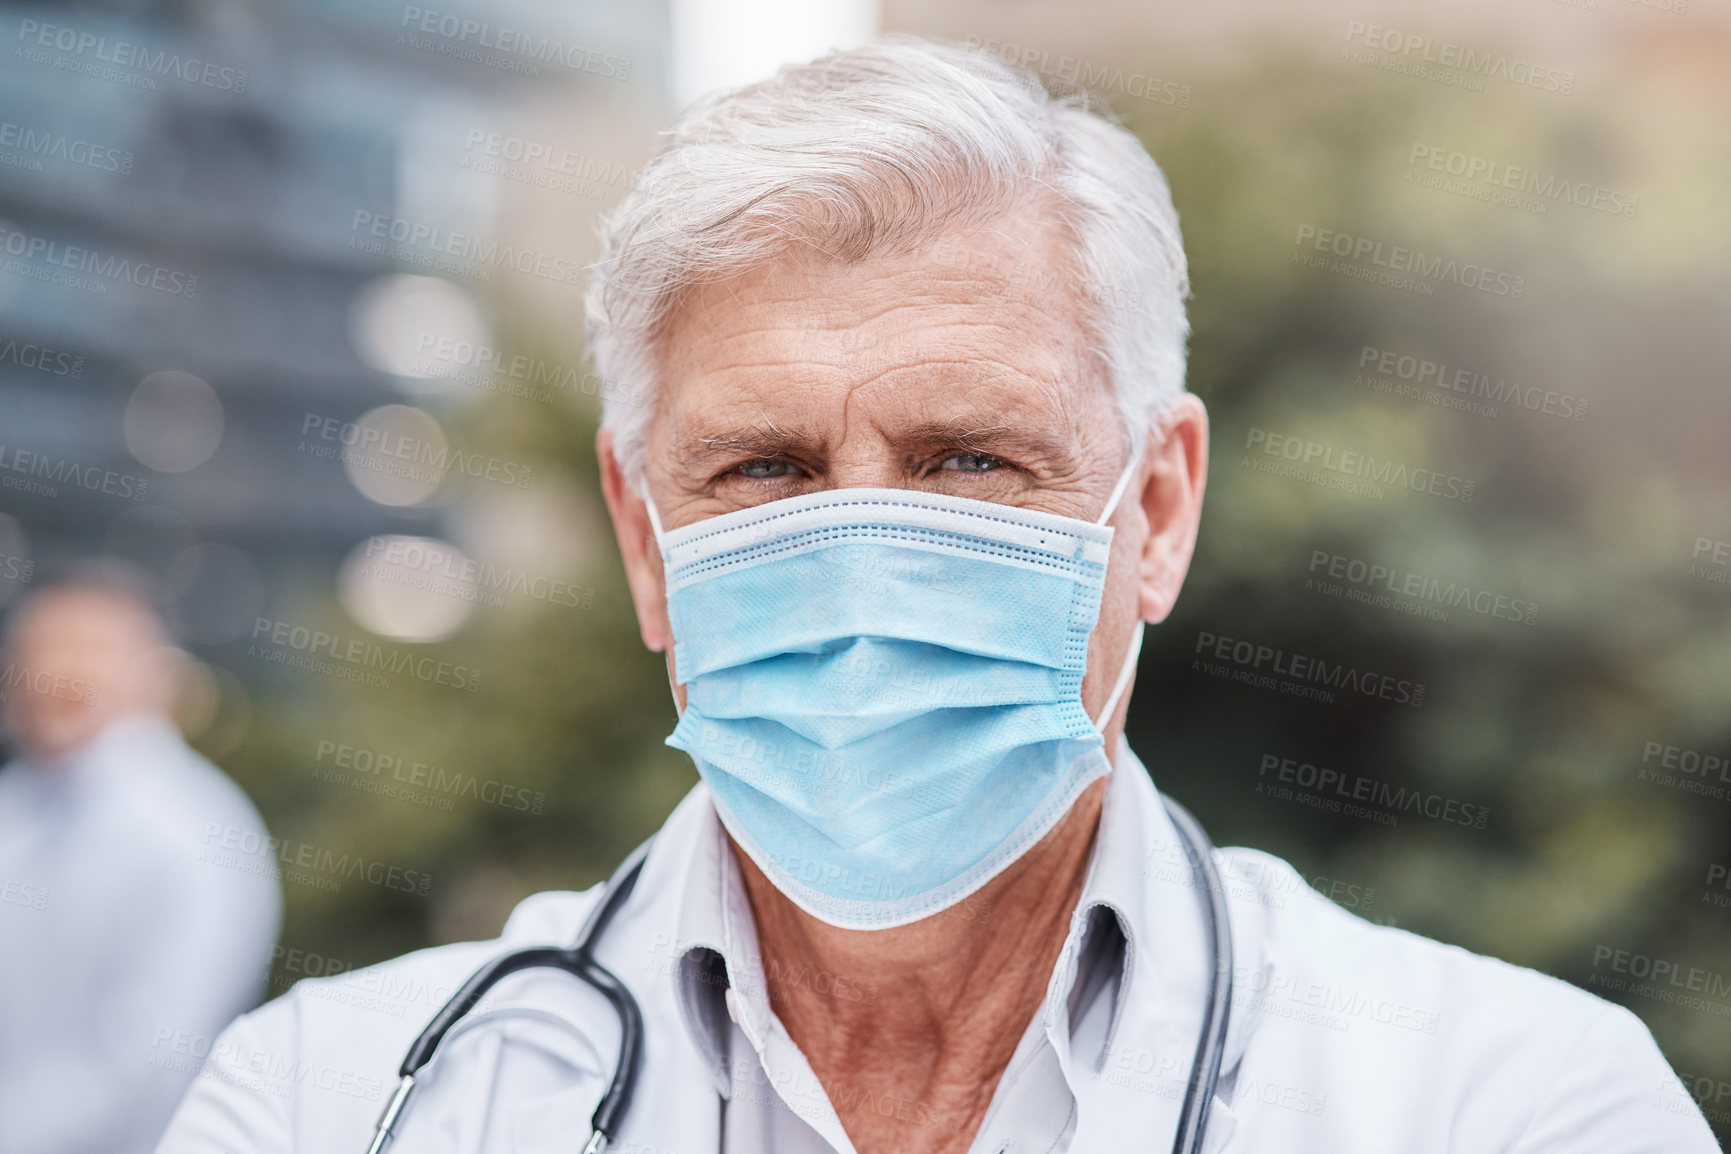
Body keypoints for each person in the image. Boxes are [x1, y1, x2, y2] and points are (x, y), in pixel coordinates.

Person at [157, 37, 1716, 1154]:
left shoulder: (1510, 1104)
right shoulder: (332, 1102)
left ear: (1154, 509)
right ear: (643, 539)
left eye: (969, 459)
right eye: (762, 469)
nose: (862, 558)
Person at [0, 571, 282, 1154]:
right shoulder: (19, 805)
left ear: (154, 674)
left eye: (88, 650)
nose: (56, 673)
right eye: (36, 652)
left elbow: (150, 1059)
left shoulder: (195, 828)